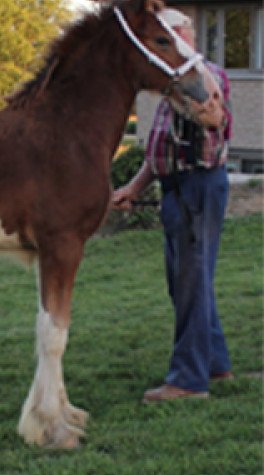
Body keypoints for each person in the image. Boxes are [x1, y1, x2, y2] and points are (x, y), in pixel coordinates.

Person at [111, 8, 233, 402]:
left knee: (191, 283)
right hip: (177, 187)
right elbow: (157, 152)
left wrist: (211, 113)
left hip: (198, 187)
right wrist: (132, 187)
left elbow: (217, 117)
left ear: (185, 36)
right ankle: (214, 365)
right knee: (186, 282)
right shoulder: (170, 85)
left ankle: (188, 380)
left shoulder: (204, 76)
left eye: (168, 37)